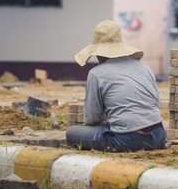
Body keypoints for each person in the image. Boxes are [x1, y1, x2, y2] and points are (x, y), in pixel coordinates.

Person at [66, 20, 169, 152]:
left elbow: (92, 118)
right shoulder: (145, 68)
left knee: (72, 133)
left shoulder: (96, 73)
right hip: (158, 135)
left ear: (100, 53)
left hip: (127, 140)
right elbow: (156, 104)